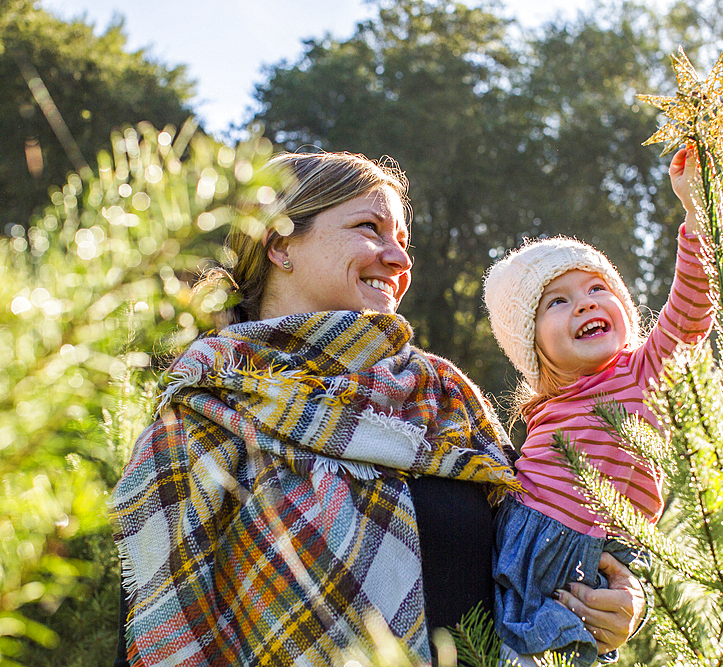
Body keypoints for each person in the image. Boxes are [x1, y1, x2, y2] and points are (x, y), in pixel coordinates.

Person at [110, 150, 648, 667]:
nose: (398, 258)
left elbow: (549, 535)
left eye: (403, 240)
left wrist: (621, 600)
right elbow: (155, 626)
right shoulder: (204, 412)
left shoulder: (443, 397)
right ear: (279, 244)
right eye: (370, 228)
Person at [482, 146, 712, 666]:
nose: (585, 302)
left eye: (596, 287)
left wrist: (696, 212)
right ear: (531, 345)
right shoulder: (541, 409)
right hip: (517, 545)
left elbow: (691, 310)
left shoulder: (643, 372)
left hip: (586, 563)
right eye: (557, 301)